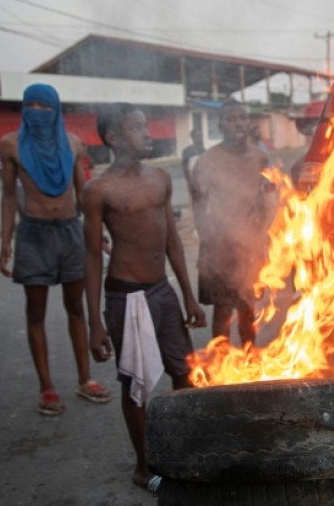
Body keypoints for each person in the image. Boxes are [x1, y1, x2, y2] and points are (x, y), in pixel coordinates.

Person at [83, 103, 205, 493]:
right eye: (137, 128)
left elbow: (172, 238)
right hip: (127, 295)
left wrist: (188, 294)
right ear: (114, 137)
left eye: (146, 125)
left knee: (184, 372)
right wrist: (95, 322)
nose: (148, 133)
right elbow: (90, 256)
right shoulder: (98, 189)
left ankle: (187, 452)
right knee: (136, 384)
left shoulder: (160, 178)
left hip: (162, 291)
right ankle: (142, 465)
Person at [0, 83, 111, 416]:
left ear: (56, 109)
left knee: (76, 308)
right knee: (36, 312)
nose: (38, 112)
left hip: (69, 231)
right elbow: (7, 195)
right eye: (30, 105)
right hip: (34, 234)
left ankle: (85, 379)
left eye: (44, 106)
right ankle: (47, 388)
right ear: (23, 109)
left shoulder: (73, 144)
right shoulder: (10, 145)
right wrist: (6, 239)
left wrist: (99, 233)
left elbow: (85, 195)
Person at [191, 100, 274, 346]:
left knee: (248, 308)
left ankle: (251, 359)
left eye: (242, 118)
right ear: (220, 125)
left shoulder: (259, 158)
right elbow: (198, 207)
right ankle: (221, 366)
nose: (238, 123)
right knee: (223, 310)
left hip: (250, 244)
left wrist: (260, 235)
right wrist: (209, 244)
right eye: (231, 119)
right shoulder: (208, 161)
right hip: (220, 246)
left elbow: (266, 200)